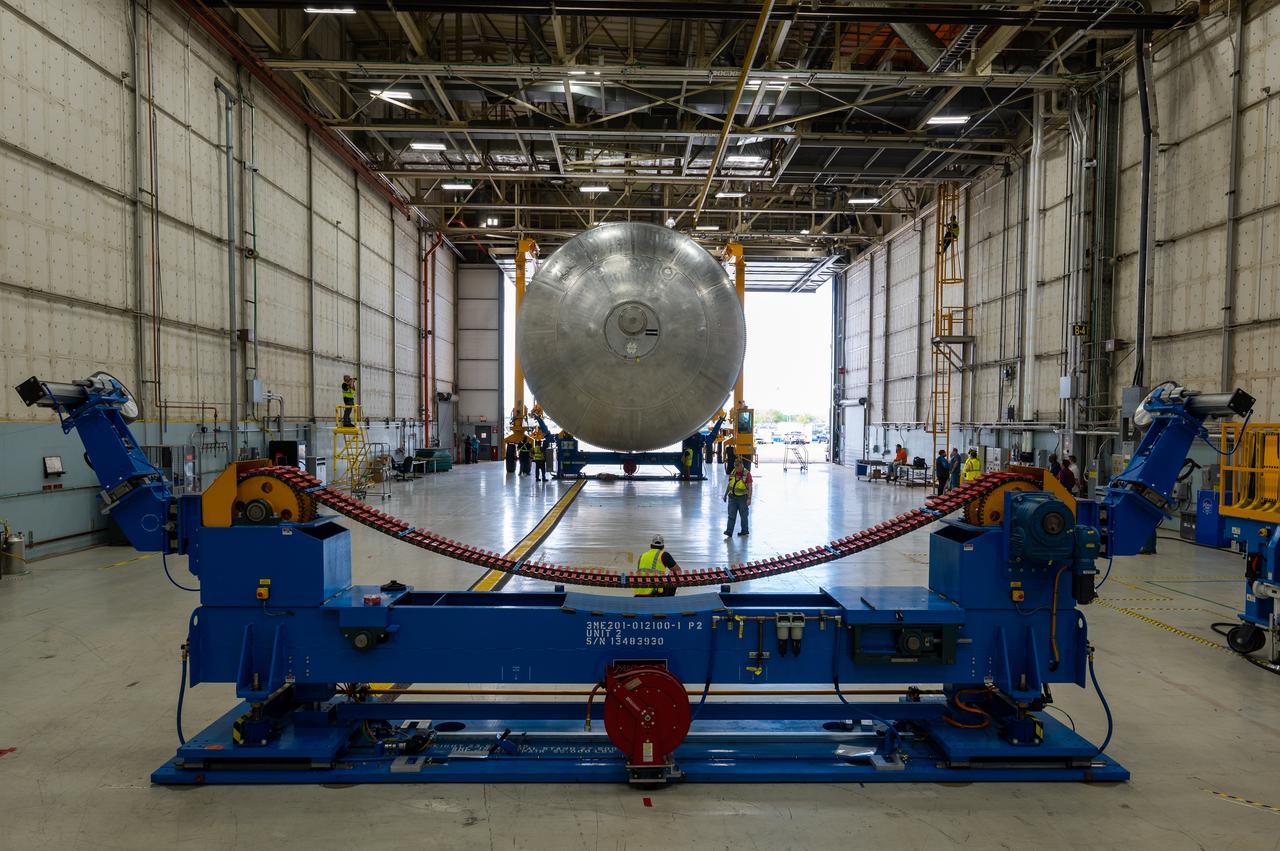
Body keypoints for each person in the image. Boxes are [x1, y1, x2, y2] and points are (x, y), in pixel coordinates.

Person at [723, 455, 753, 536]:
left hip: (742, 498)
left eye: (737, 466)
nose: (736, 468)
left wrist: (749, 498)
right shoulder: (733, 472)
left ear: (741, 465)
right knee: (731, 515)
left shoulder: (747, 474)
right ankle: (729, 531)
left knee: (743, 516)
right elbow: (730, 484)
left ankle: (744, 530)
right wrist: (725, 495)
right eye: (735, 466)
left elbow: (750, 487)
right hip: (732, 498)